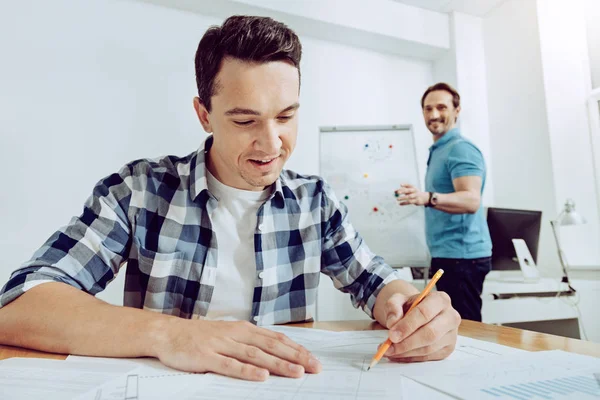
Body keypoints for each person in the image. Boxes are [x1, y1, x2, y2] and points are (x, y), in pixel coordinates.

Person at [0, 16, 460, 382]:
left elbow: (378, 285)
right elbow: (21, 304)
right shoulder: (139, 191)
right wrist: (174, 335)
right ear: (204, 114)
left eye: (286, 116)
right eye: (245, 121)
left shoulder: (315, 201)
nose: (272, 143)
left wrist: (410, 307)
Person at [396, 82, 492, 322]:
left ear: (456, 110)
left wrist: (427, 197)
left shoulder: (461, 149)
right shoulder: (440, 149)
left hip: (463, 257)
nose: (434, 115)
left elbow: (471, 200)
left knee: (466, 330)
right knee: (451, 327)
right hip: (448, 255)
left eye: (441, 107)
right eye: (428, 109)